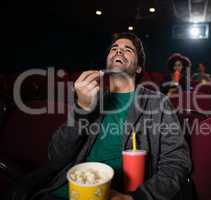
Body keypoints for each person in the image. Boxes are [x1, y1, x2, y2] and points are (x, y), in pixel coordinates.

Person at [5, 32, 192, 200]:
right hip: (66, 191)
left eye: (128, 50)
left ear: (138, 69)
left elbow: (177, 162)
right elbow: (56, 156)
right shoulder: (90, 99)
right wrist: (82, 109)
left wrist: (139, 197)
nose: (119, 52)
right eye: (114, 49)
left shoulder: (157, 103)